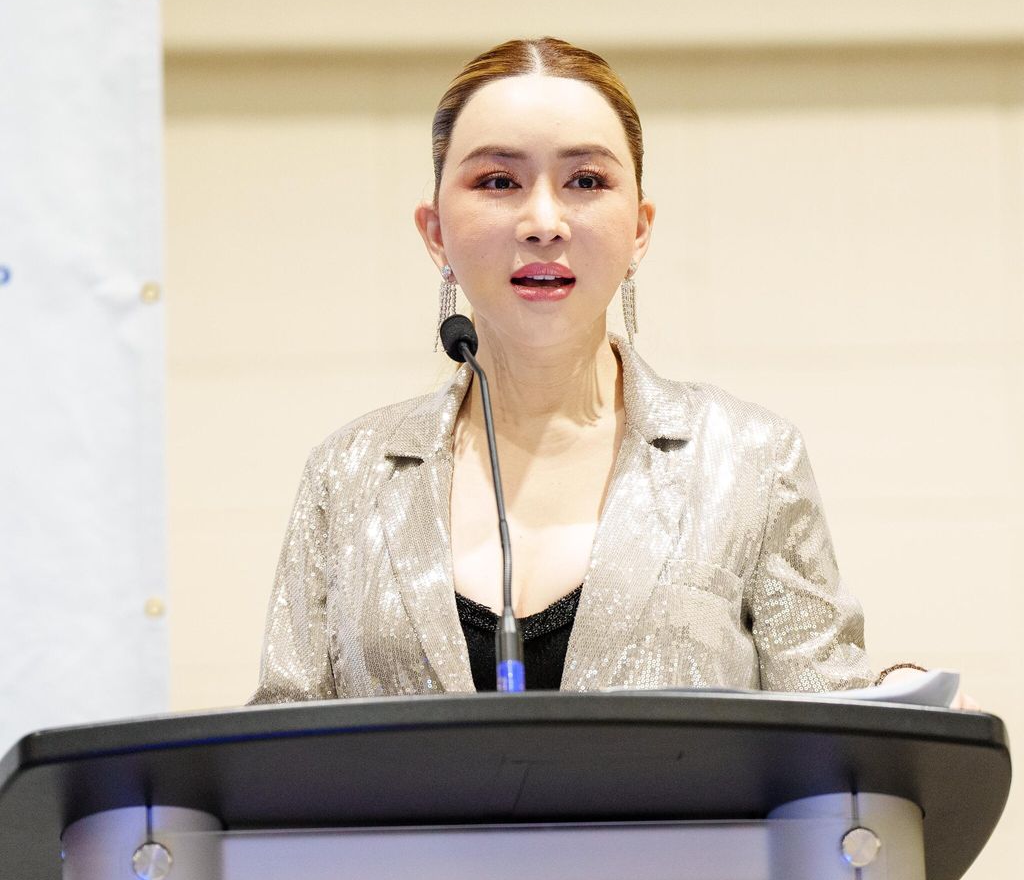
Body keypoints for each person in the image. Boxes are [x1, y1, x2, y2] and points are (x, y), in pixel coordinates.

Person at [248, 37, 975, 708]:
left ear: (640, 230)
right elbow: (278, 751)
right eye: (498, 180)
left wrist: (902, 700)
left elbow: (826, 726)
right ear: (435, 231)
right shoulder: (349, 475)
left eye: (586, 180)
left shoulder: (748, 459)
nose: (543, 221)